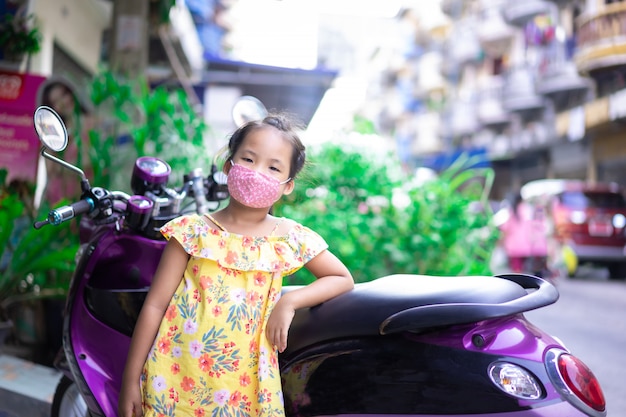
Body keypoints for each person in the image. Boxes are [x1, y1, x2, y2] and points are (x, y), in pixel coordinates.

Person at [118, 113, 354, 417]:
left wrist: (289, 301)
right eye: (249, 159)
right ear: (229, 166)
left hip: (246, 391)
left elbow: (340, 277)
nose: (257, 172)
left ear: (287, 186)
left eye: (273, 167)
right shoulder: (191, 232)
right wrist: (130, 379)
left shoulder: (288, 238)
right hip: (173, 383)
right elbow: (155, 306)